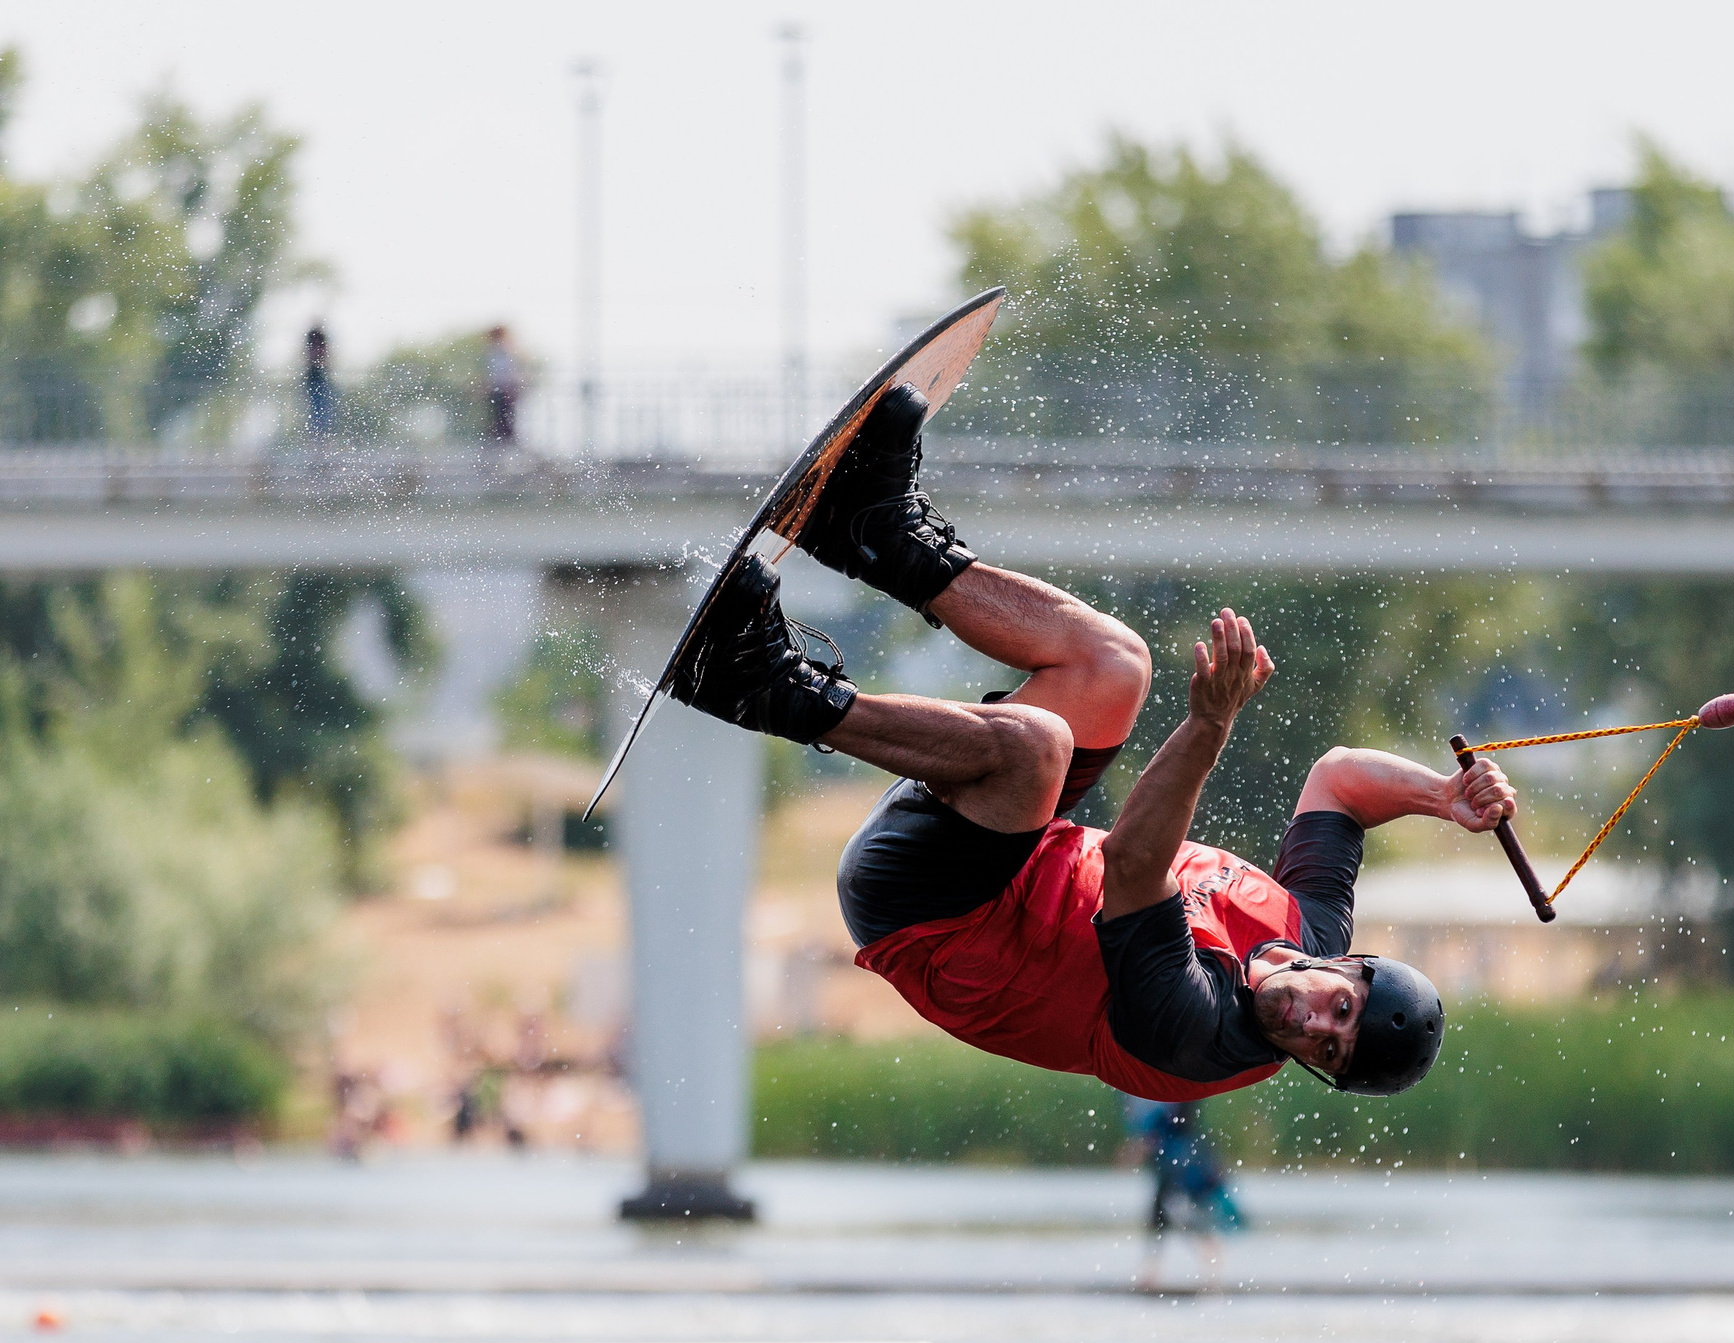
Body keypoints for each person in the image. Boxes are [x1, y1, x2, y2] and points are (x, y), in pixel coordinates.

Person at [660, 381, 1561, 1102]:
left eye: (1329, 1050)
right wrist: (1442, 800)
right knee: (1115, 665)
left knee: (1038, 750)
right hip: (1008, 843)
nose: (1316, 1024)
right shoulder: (1310, 924)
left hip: (936, 917)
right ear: (1351, 968)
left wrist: (1211, 724)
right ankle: (869, 532)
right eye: (1343, 1008)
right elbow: (1340, 781)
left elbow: (1133, 864)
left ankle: (764, 689)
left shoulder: (1201, 1037)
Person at [1123, 1097, 1245, 1288]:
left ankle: (1157, 1271)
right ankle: (1155, 1271)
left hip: (1182, 1162)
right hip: (1174, 1161)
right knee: (1163, 1214)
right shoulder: (1169, 1100)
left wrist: (1147, 1142)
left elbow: (1179, 1124)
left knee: (1173, 1214)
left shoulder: (1176, 1100)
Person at [484, 325, 522, 444]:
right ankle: (500, 441)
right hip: (498, 388)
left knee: (505, 417)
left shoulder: (505, 350)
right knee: (499, 417)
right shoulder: (495, 351)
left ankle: (506, 442)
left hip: (505, 388)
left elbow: (509, 371)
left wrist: (511, 387)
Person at [302, 322, 336, 440]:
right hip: (314, 375)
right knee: (315, 411)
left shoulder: (323, 374)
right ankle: (317, 439)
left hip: (319, 375)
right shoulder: (312, 374)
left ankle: (321, 439)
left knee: (323, 411)